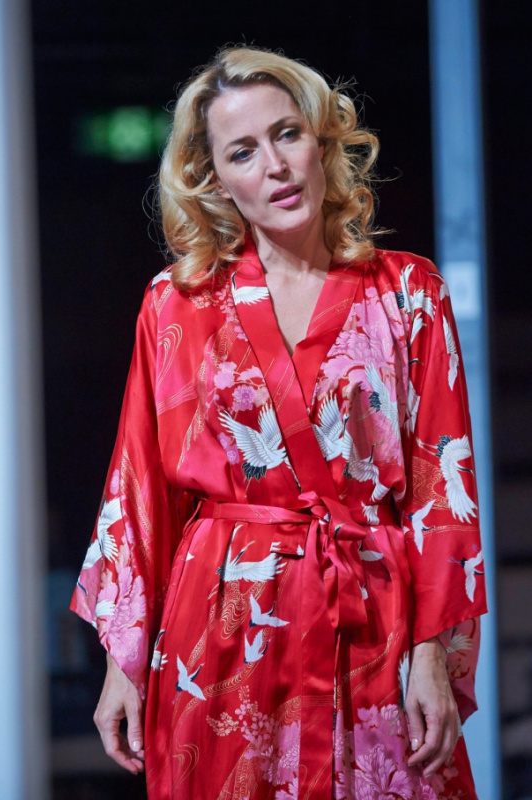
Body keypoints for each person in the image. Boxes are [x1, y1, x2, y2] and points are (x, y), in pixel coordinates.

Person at [70, 46, 487, 800]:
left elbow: (441, 488)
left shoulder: (409, 291)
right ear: (214, 178)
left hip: (374, 619)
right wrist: (122, 666)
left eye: (287, 134)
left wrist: (431, 653)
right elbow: (139, 490)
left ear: (321, 140)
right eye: (242, 151)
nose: (275, 165)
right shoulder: (177, 303)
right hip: (223, 623)